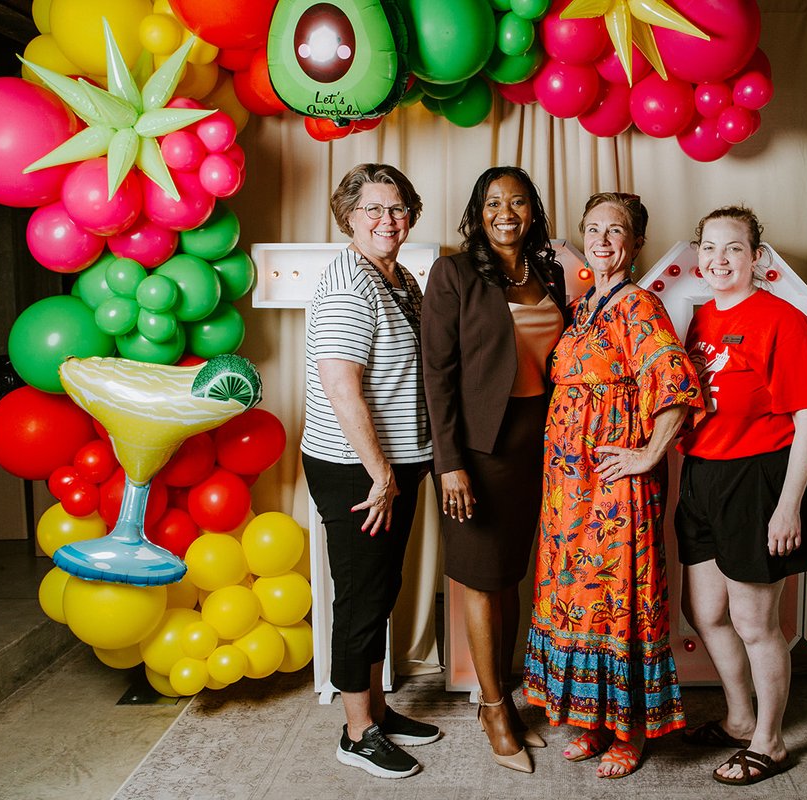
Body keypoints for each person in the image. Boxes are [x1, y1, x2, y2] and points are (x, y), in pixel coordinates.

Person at [523, 192, 703, 779]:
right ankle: (591, 721)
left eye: (615, 230)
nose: (602, 240)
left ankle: (629, 731)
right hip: (566, 489)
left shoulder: (639, 307)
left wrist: (647, 456)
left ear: (635, 241)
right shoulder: (581, 308)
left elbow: (675, 384)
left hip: (613, 488)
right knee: (576, 599)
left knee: (619, 602)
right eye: (593, 229)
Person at [675, 206, 807, 786]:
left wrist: (788, 504)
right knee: (705, 611)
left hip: (758, 477)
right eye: (710, 248)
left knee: (754, 622)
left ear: (757, 258)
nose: (719, 260)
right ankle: (739, 718)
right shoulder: (700, 321)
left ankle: (770, 741)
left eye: (734, 248)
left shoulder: (783, 320)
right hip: (701, 476)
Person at [421, 166, 569, 773]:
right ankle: (492, 707)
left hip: (542, 445)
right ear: (478, 212)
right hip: (479, 451)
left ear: (533, 210)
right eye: (492, 202)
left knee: (512, 577)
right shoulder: (454, 273)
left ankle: (502, 695)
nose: (505, 212)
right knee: (483, 579)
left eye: (517, 201)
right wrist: (450, 463)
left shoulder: (552, 272)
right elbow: (438, 375)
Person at [300, 163, 440, 780]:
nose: (389, 220)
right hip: (357, 467)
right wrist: (380, 473)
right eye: (374, 210)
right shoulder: (349, 288)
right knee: (361, 597)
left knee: (380, 590)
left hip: (392, 464)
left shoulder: (397, 277)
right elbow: (340, 387)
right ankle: (357, 734)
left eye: (399, 208)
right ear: (348, 217)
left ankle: (376, 712)